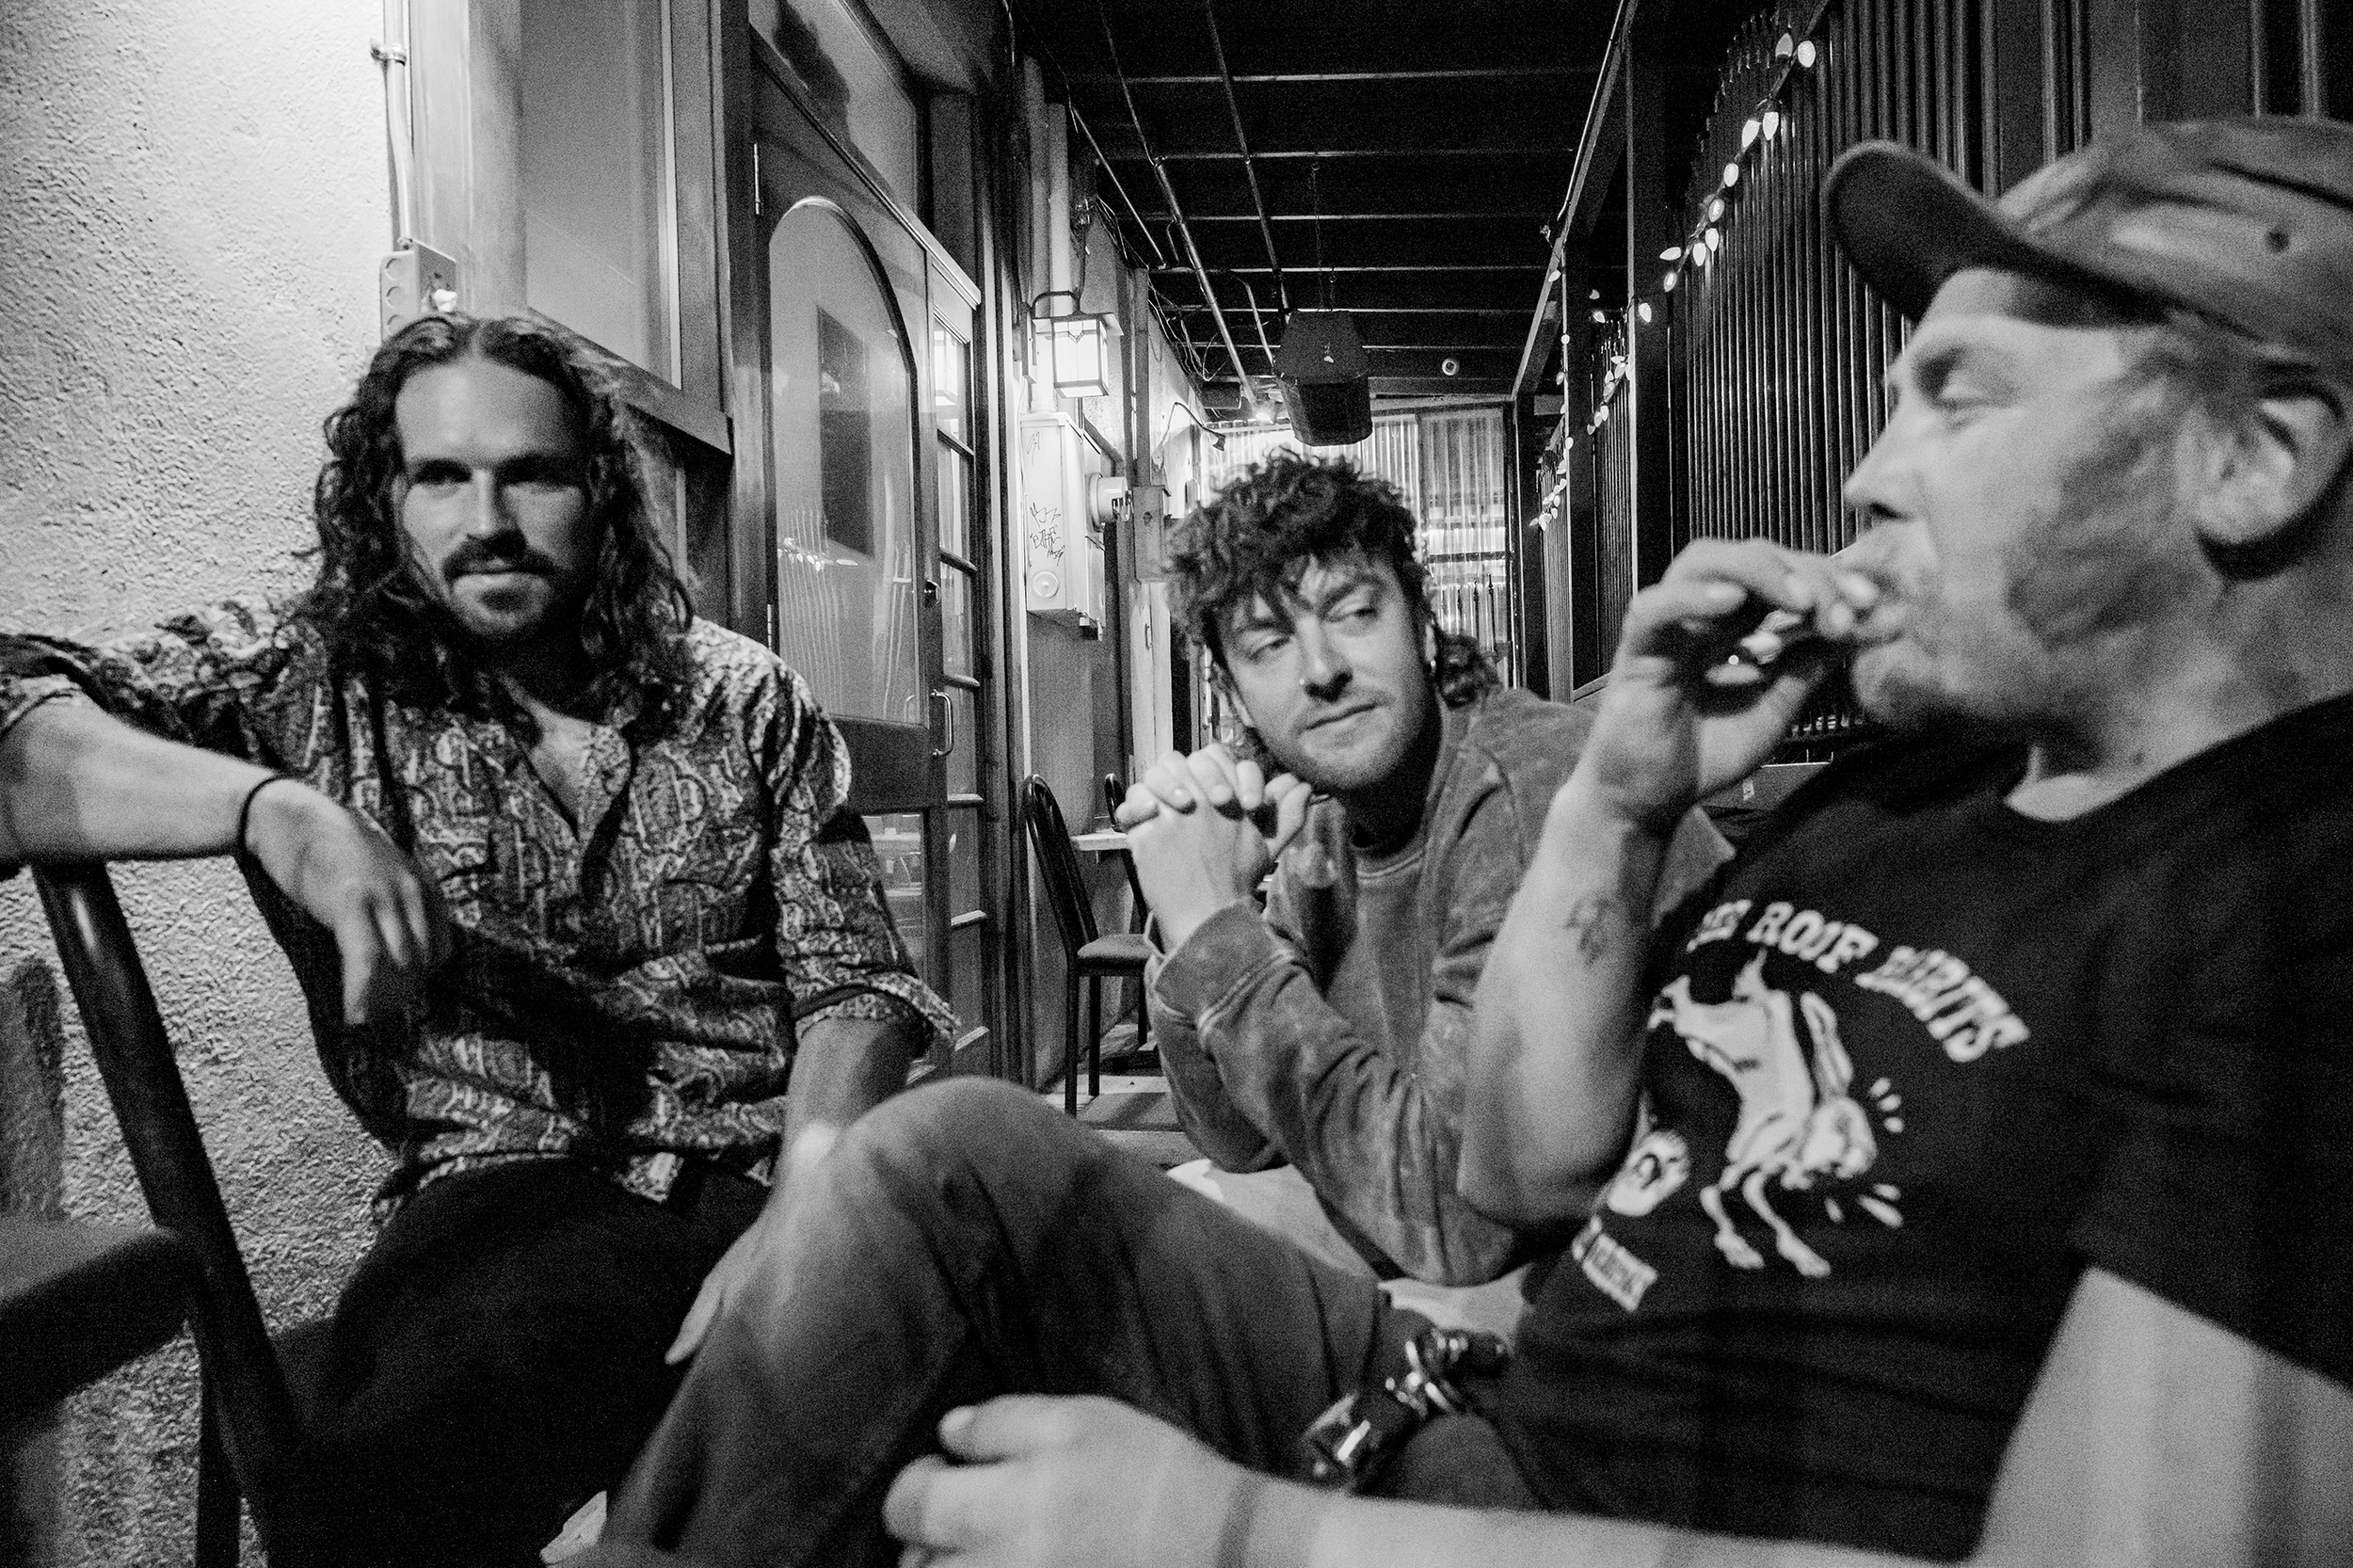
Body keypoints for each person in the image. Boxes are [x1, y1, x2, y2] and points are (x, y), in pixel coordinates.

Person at [581, 116, 2353, 1568]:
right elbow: (1531, 1165)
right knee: (955, 1156)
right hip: (1481, 1397)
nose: (1869, 478)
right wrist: (1623, 792)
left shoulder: (2293, 897)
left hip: (1603, 1499)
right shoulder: (1911, 798)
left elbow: (1450, 1212)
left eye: (1955, 397)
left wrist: (1244, 1539)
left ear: (2260, 457)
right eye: (1265, 645)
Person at [0, 313, 952, 1566]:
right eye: (441, 475)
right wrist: (269, 808)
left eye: (533, 473)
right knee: (397, 1473)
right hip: (499, 1192)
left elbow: (857, 983)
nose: (487, 517)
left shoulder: (742, 693)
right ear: (386, 501)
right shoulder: (312, 677)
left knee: (928, 1432)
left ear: (599, 492)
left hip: (760, 1168)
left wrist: (811, 1204)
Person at [1112, 453, 1722, 1288]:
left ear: (1422, 625)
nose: (1321, 670)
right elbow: (1243, 1141)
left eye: (1355, 613)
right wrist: (1196, 933)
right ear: (1233, 693)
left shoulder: (1525, 790)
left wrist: (1221, 939)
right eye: (1269, 645)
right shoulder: (1319, 821)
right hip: (1475, 1251)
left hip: (1653, 1275)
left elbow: (1461, 1222)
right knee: (1130, 1234)